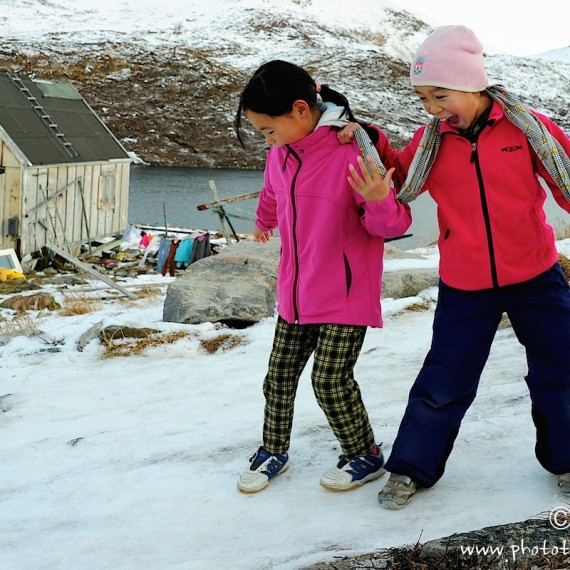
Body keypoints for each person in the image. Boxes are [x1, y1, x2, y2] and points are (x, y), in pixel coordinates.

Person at [344, 25, 570, 509]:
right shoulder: (432, 142)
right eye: (424, 97)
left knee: (562, 370)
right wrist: (369, 148)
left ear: (472, 84)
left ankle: (567, 458)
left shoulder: (529, 129)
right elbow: (397, 186)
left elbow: (567, 182)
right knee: (444, 381)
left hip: (536, 275)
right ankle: (410, 470)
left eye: (439, 94)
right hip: (465, 284)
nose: (431, 107)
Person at [233, 60, 412, 493]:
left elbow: (392, 226)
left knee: (330, 381)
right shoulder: (282, 152)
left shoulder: (352, 150)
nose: (268, 140)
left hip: (346, 293)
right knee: (278, 375)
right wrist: (264, 221)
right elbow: (274, 191)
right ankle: (273, 449)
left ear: (299, 109)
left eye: (268, 130)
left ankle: (363, 455)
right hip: (297, 290)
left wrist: (380, 199)